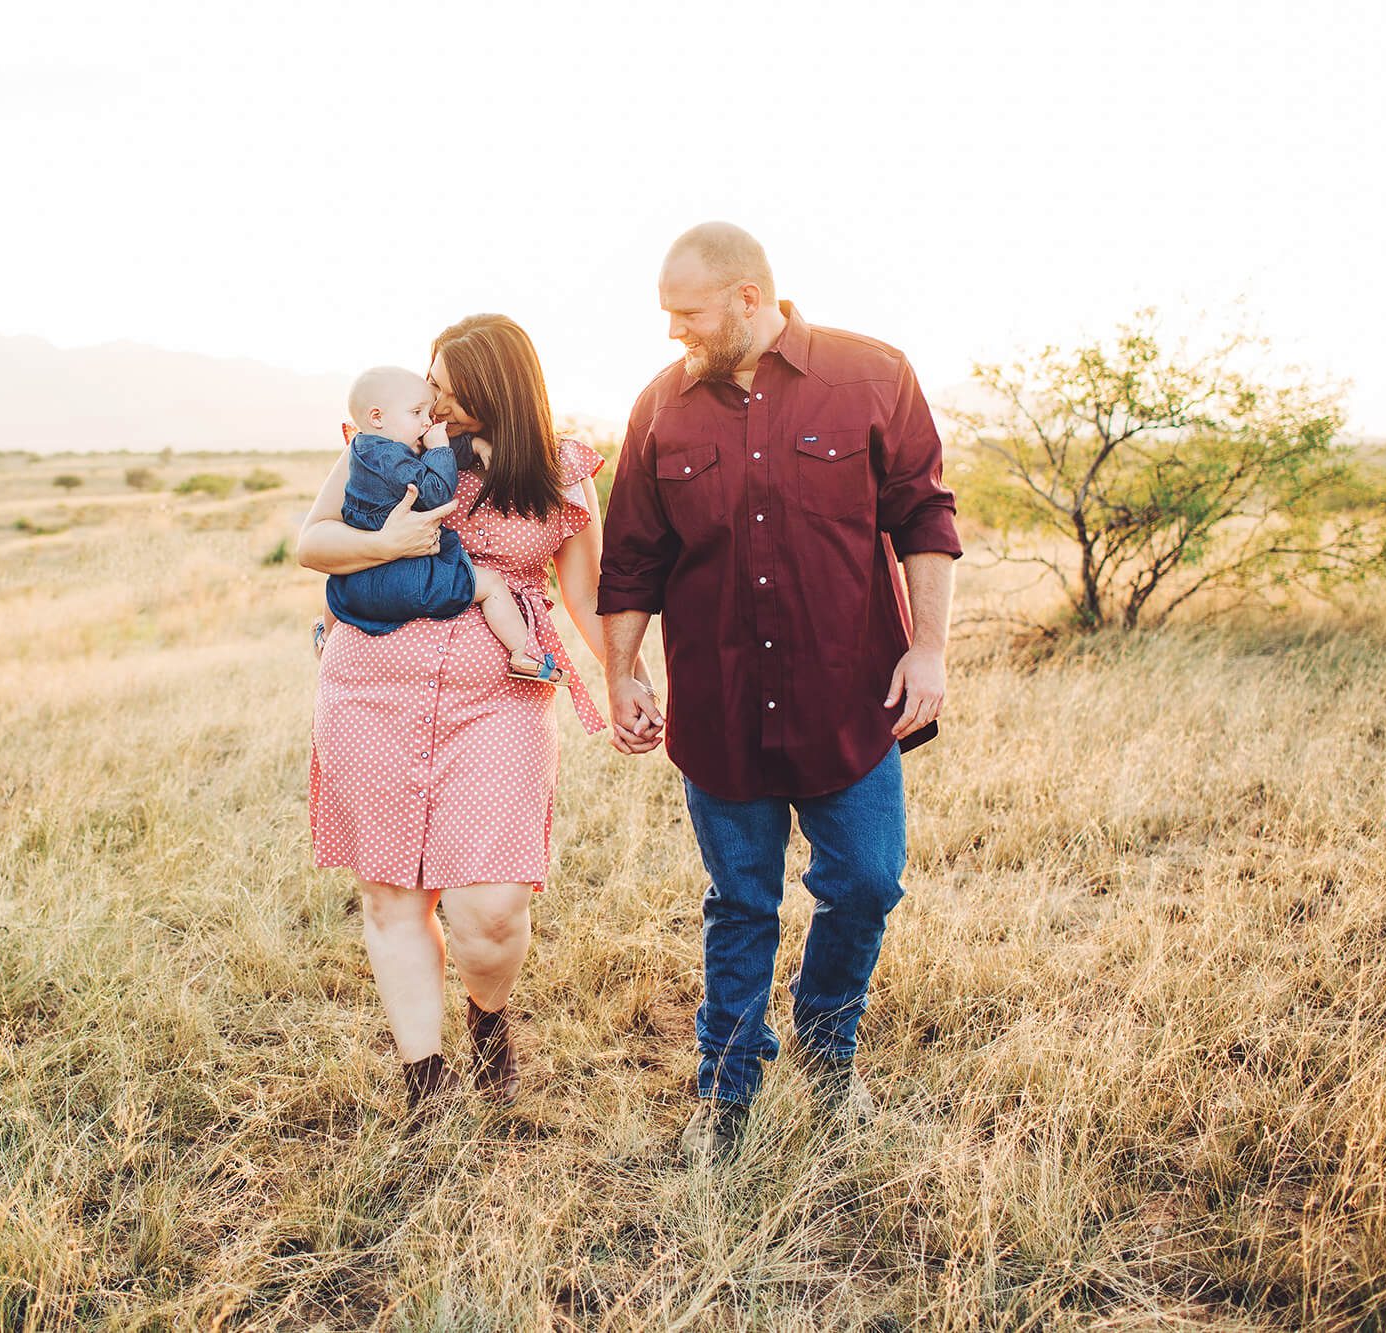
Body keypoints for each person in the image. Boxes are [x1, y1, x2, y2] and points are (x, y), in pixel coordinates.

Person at [598, 222, 961, 1166]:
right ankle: (728, 1085)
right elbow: (633, 557)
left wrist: (928, 651)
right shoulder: (658, 408)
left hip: (851, 698)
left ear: (750, 298)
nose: (674, 331)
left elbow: (923, 514)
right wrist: (624, 669)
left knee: (870, 881)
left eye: (688, 313)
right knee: (740, 901)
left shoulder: (872, 374)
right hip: (720, 707)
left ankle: (829, 1045)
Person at [301, 314, 646, 1112]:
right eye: (432, 381)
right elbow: (314, 543)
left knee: (489, 910)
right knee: (392, 894)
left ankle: (489, 1018)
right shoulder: (385, 450)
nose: (437, 398)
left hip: (501, 698)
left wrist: (627, 677)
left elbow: (586, 596)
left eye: (451, 385)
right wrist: (392, 542)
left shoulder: (560, 468)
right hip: (371, 687)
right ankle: (425, 1085)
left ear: (498, 386)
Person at [319, 365, 566, 685]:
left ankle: (324, 637)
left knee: (336, 582)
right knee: (489, 584)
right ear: (377, 417)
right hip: (402, 572)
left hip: (355, 580)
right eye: (417, 412)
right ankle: (523, 653)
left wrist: (472, 446)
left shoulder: (368, 446)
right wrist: (439, 450)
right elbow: (433, 490)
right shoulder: (390, 459)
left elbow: (426, 448)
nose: (428, 419)